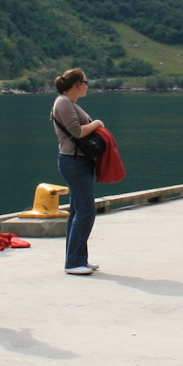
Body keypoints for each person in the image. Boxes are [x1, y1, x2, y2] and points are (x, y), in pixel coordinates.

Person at [51, 69, 104, 276]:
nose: (87, 85)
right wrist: (97, 124)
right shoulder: (63, 102)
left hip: (79, 161)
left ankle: (79, 258)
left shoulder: (69, 103)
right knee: (86, 210)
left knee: (77, 211)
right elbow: (77, 131)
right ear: (76, 84)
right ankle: (73, 262)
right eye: (85, 81)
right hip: (73, 161)